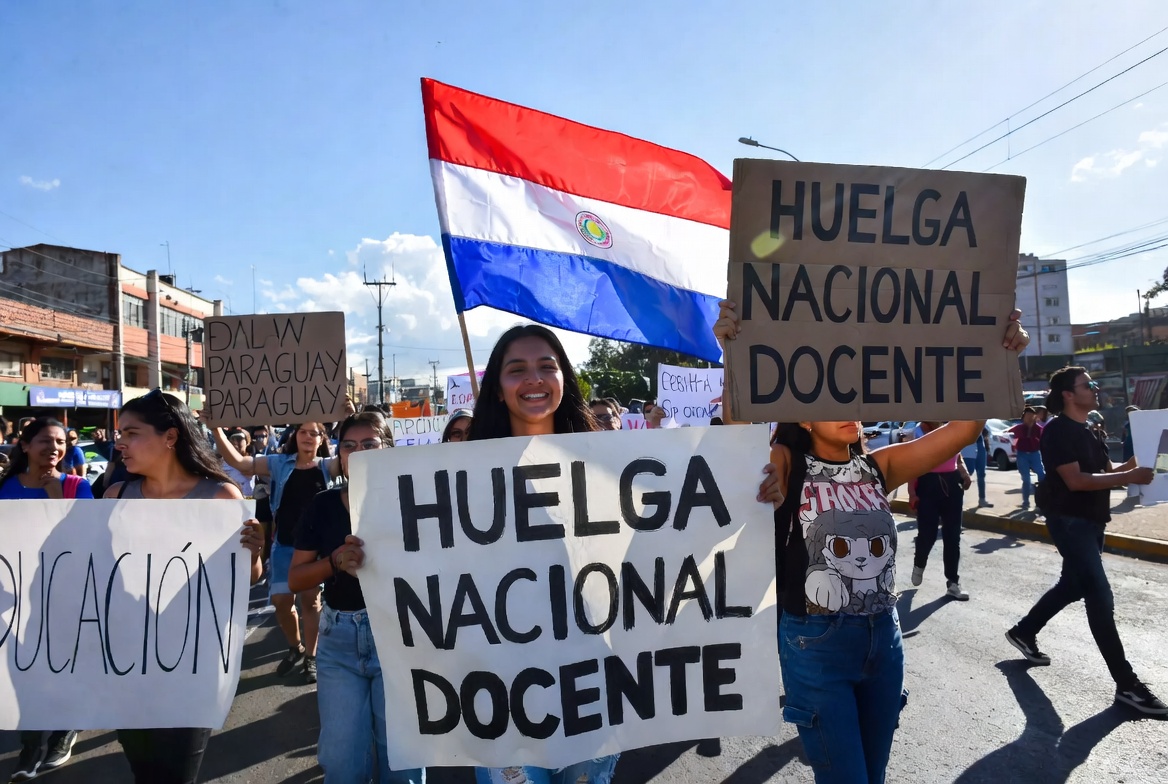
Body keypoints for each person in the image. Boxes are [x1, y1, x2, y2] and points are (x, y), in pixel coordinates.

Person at [717, 299, 1030, 784]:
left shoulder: (879, 467)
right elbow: (737, 442)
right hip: (814, 644)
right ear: (801, 417)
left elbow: (966, 427)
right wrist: (733, 354)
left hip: (884, 640)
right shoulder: (785, 460)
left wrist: (1000, 354)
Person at [101, 390, 264, 783]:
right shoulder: (114, 497)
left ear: (170, 437)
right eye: (119, 432)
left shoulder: (220, 496)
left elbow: (246, 576)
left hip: (192, 662)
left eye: (132, 432)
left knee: (176, 775)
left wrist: (254, 554)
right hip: (128, 663)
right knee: (145, 772)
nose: (119, 441)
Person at [1005, 367, 1165, 715]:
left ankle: (1024, 630)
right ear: (1068, 394)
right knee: (1099, 595)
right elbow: (1076, 481)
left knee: (1073, 584)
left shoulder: (1088, 429)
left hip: (1093, 521)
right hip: (1070, 521)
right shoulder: (1058, 431)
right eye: (1088, 385)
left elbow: (1109, 472)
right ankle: (1127, 685)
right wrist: (1131, 475)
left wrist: (1150, 454)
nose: (1095, 389)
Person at [288, 412, 425, 784]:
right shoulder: (322, 504)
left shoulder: (417, 499)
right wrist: (333, 562)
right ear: (339, 455)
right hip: (339, 642)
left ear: (388, 450)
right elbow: (296, 578)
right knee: (342, 763)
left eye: (369, 445)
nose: (358, 453)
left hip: (401, 637)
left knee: (403, 762)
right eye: (349, 445)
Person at [211, 419, 338, 683]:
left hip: (314, 549)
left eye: (314, 433)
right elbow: (240, 463)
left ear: (321, 439)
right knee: (281, 602)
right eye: (303, 431)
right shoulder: (279, 463)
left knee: (311, 602)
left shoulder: (328, 466)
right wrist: (215, 430)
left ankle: (311, 658)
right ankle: (296, 646)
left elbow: (356, 459)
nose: (307, 436)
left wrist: (350, 419)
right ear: (295, 435)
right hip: (283, 545)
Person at [1, 416, 91, 781]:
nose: (53, 449)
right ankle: (31, 745)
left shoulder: (77, 485)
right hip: (15, 596)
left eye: (59, 443)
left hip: (66, 593)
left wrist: (56, 495)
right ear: (25, 445)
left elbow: (86, 539)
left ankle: (64, 732)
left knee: (64, 666)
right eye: (44, 441)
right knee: (26, 672)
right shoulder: (5, 487)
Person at [908, 421, 973, 600]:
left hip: (951, 483)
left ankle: (953, 582)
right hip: (927, 484)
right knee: (927, 535)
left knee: (953, 535)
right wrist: (912, 492)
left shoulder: (950, 429)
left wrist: (964, 473)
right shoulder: (918, 432)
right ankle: (919, 563)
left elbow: (957, 456)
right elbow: (912, 463)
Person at [1009, 407, 1045, 510]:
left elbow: (1043, 440)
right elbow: (1009, 435)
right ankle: (1026, 502)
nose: (1029, 418)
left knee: (1041, 475)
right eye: (1027, 416)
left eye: (1031, 416)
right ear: (1023, 417)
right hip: (1022, 454)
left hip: (1035, 454)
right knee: (1026, 479)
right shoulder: (1019, 428)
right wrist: (1013, 444)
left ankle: (1041, 501)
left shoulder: (1038, 428)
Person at [960, 424, 992, 508]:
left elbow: (987, 431)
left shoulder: (981, 416)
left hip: (980, 445)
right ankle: (958, 499)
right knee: (967, 473)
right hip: (968, 446)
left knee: (981, 474)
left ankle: (982, 500)